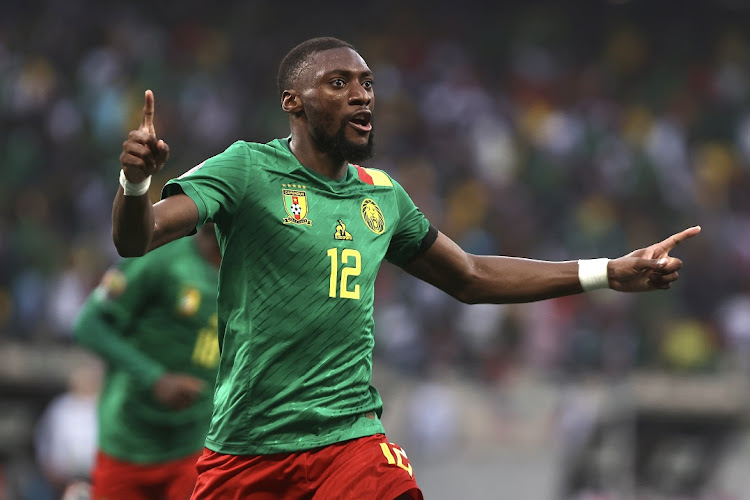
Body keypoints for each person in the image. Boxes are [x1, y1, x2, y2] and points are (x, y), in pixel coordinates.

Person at [112, 36, 700, 500]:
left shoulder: (383, 197)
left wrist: (606, 273)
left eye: (367, 84)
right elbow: (137, 238)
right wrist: (137, 181)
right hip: (248, 446)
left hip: (348, 439)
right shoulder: (247, 169)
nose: (362, 95)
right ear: (293, 102)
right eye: (338, 83)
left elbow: (469, 276)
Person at [72, 223, 221, 500]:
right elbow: (88, 324)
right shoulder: (157, 257)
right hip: (128, 442)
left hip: (195, 444)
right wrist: (155, 377)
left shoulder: (253, 273)